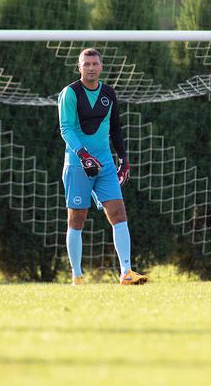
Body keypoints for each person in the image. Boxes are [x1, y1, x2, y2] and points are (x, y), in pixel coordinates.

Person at [58, 47, 148, 286]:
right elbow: (65, 128)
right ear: (79, 67)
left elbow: (116, 128)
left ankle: (126, 272)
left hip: (105, 164)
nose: (90, 68)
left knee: (119, 214)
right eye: (86, 64)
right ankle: (77, 275)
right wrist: (83, 155)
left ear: (101, 66)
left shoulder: (109, 93)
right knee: (76, 219)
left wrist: (123, 159)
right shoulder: (70, 93)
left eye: (95, 63)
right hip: (78, 164)